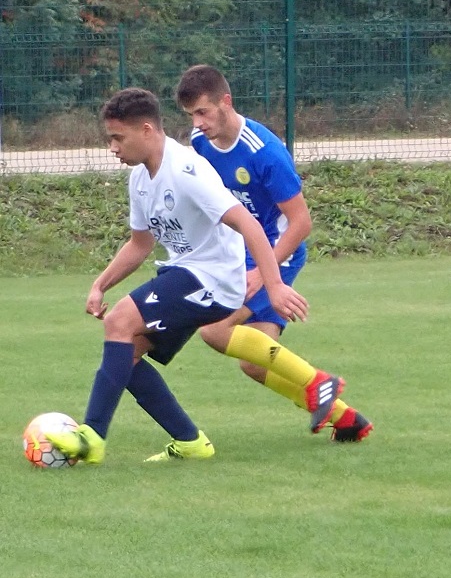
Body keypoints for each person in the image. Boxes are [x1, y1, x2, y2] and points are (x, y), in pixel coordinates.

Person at [44, 88, 340, 464]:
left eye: (118, 138)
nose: (113, 148)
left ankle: (91, 437)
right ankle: (190, 442)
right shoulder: (139, 179)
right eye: (110, 139)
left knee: (119, 321)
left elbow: (249, 225)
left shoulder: (187, 171)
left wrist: (274, 284)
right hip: (186, 272)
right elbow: (140, 244)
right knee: (125, 355)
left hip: (215, 279)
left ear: (147, 130)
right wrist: (100, 284)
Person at [175, 64, 374, 439]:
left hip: (277, 252)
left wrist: (263, 273)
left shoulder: (265, 153)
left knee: (214, 330)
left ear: (225, 101)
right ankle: (348, 420)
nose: (197, 123)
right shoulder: (201, 143)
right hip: (241, 253)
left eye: (203, 112)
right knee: (254, 363)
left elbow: (301, 222)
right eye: (191, 115)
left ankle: (319, 382)